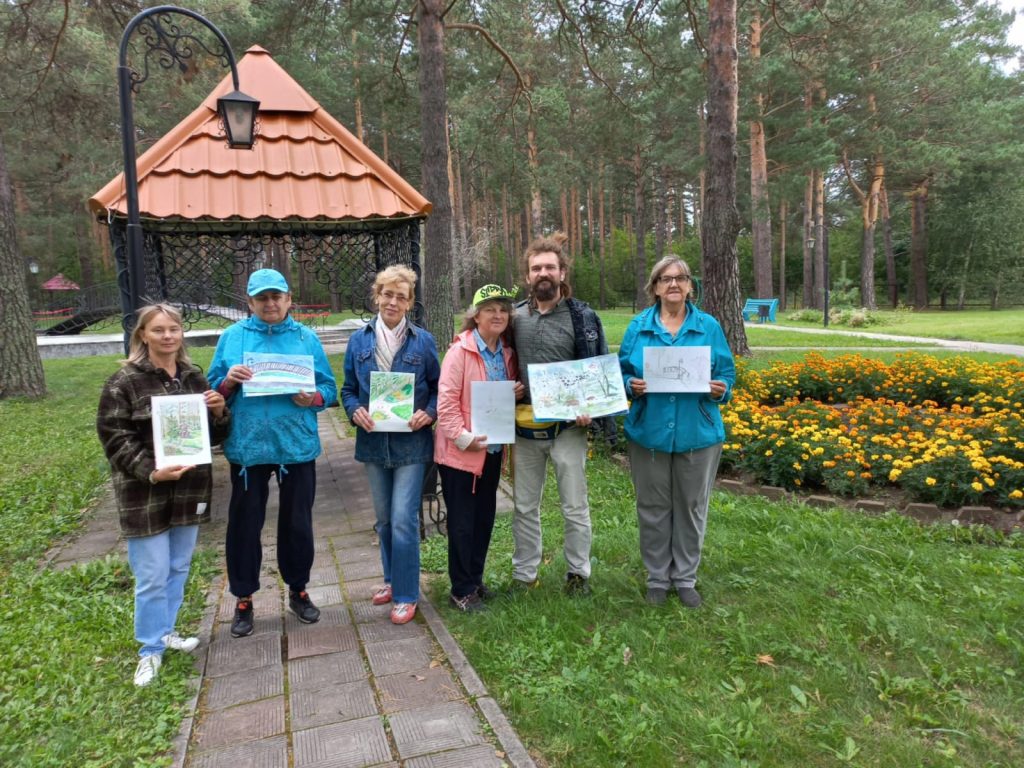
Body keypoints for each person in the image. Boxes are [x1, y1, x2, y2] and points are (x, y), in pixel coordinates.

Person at [97, 304, 231, 686]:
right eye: (159, 330)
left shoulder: (192, 377)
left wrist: (220, 412)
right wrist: (151, 471)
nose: (168, 336)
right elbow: (114, 437)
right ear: (143, 335)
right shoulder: (123, 382)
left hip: (189, 488)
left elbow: (215, 437)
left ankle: (166, 631)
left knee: (177, 567)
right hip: (146, 491)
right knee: (152, 574)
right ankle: (149, 649)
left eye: (173, 329)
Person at [207, 268, 338, 638]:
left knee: (297, 522)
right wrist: (228, 380)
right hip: (248, 448)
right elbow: (212, 390)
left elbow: (328, 388)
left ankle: (298, 589)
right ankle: (244, 597)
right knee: (245, 525)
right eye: (262, 298)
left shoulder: (305, 338)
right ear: (249, 302)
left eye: (276, 296)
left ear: (289, 299)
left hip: (294, 445)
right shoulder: (232, 338)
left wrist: (312, 398)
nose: (270, 303)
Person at [617, 256, 736, 607]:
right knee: (652, 507)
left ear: (689, 286)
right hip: (648, 433)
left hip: (697, 432)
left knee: (691, 506)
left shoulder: (708, 326)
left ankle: (685, 579)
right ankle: (657, 578)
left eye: (680, 278)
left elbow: (727, 374)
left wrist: (721, 389)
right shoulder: (638, 327)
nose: (673, 284)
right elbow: (621, 372)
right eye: (665, 279)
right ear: (654, 287)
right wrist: (630, 384)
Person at [511, 232, 610, 596]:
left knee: (574, 505)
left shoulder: (583, 317)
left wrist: (591, 409)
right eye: (536, 268)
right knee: (523, 506)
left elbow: (599, 372)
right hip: (524, 429)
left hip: (568, 429)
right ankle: (524, 574)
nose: (543, 273)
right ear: (527, 276)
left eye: (550, 267)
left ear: (563, 273)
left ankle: (578, 574)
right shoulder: (514, 318)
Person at [342, 265, 440, 624]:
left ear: (409, 302)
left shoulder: (423, 342)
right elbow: (348, 391)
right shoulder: (359, 341)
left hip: (412, 445)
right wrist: (355, 412)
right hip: (373, 443)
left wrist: (427, 414)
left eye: (401, 296)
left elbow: (438, 390)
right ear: (377, 296)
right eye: (387, 294)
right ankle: (390, 577)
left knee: (402, 519)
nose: (393, 302)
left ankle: (405, 594)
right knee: (383, 520)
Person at [435, 285, 524, 612]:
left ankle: (475, 579)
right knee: (461, 522)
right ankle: (460, 590)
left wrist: (511, 394)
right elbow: (445, 405)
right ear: (475, 315)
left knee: (484, 519)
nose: (498, 314)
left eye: (503, 309)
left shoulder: (507, 353)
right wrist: (463, 438)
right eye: (490, 309)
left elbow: (500, 399)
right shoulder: (460, 353)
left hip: (492, 451)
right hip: (461, 455)